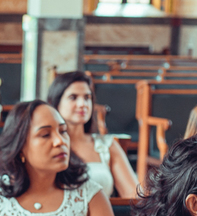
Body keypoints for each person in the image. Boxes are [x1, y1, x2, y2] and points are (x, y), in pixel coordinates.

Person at [47, 71, 138, 199]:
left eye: (87, 98)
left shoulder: (107, 145)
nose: (82, 104)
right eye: (73, 97)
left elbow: (133, 194)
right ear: (56, 103)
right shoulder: (48, 145)